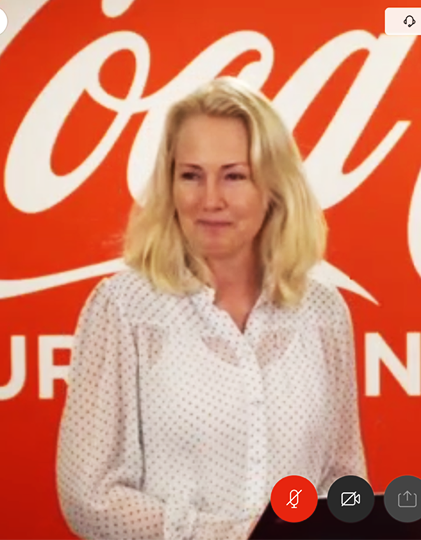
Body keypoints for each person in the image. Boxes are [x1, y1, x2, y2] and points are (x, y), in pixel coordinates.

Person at [56, 76, 367, 539]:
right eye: (191, 175)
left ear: (274, 187)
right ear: (170, 183)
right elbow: (90, 496)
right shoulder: (124, 308)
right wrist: (236, 536)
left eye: (234, 176)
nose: (210, 200)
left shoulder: (323, 311)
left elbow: (344, 476)